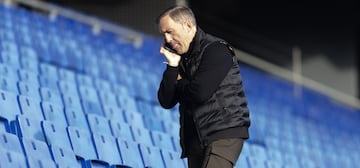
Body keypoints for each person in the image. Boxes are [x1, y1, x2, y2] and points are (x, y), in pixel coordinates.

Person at [156, 6, 251, 168]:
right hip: (195, 140)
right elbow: (166, 101)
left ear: (188, 26)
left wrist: (180, 81)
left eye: (170, 31)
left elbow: (199, 93)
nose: (167, 39)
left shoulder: (217, 50)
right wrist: (172, 66)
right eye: (163, 34)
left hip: (222, 133)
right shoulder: (181, 58)